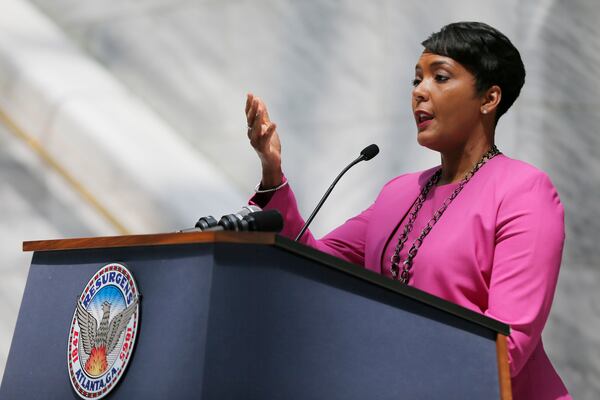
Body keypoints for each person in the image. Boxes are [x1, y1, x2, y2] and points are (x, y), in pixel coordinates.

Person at [245, 21, 570, 400]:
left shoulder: (523, 191)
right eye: (416, 80)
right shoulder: (399, 193)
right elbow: (314, 265)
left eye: (440, 77)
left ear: (489, 98)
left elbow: (506, 345)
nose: (420, 92)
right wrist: (272, 173)